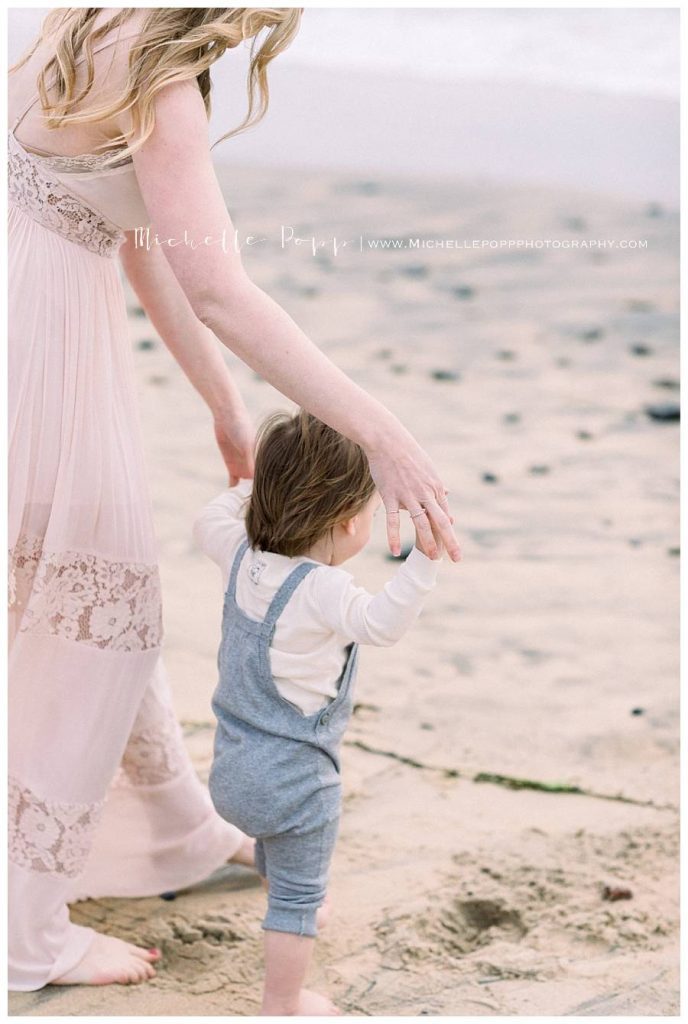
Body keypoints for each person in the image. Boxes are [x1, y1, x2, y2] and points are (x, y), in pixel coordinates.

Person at [8, 7, 459, 992]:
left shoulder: (91, 16)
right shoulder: (164, 83)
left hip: (28, 300)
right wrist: (382, 435)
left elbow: (139, 240)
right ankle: (24, 930)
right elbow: (220, 287)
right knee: (97, 619)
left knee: (73, 600)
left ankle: (172, 835)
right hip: (38, 339)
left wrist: (223, 403)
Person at [194, 410, 445, 1016]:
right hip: (296, 784)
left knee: (276, 842)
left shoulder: (238, 554)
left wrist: (258, 485)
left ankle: (282, 886)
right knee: (298, 902)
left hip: (230, 777)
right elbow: (382, 625)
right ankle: (283, 1000)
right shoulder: (324, 590)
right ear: (347, 522)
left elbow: (211, 517)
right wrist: (426, 558)